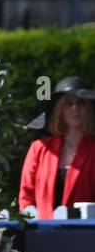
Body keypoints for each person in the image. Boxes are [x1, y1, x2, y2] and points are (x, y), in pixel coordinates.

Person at [19, 76, 95, 219]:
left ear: (88, 108)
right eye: (68, 103)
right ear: (60, 110)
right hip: (43, 233)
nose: (75, 108)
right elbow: (26, 197)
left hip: (86, 234)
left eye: (81, 103)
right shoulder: (39, 149)